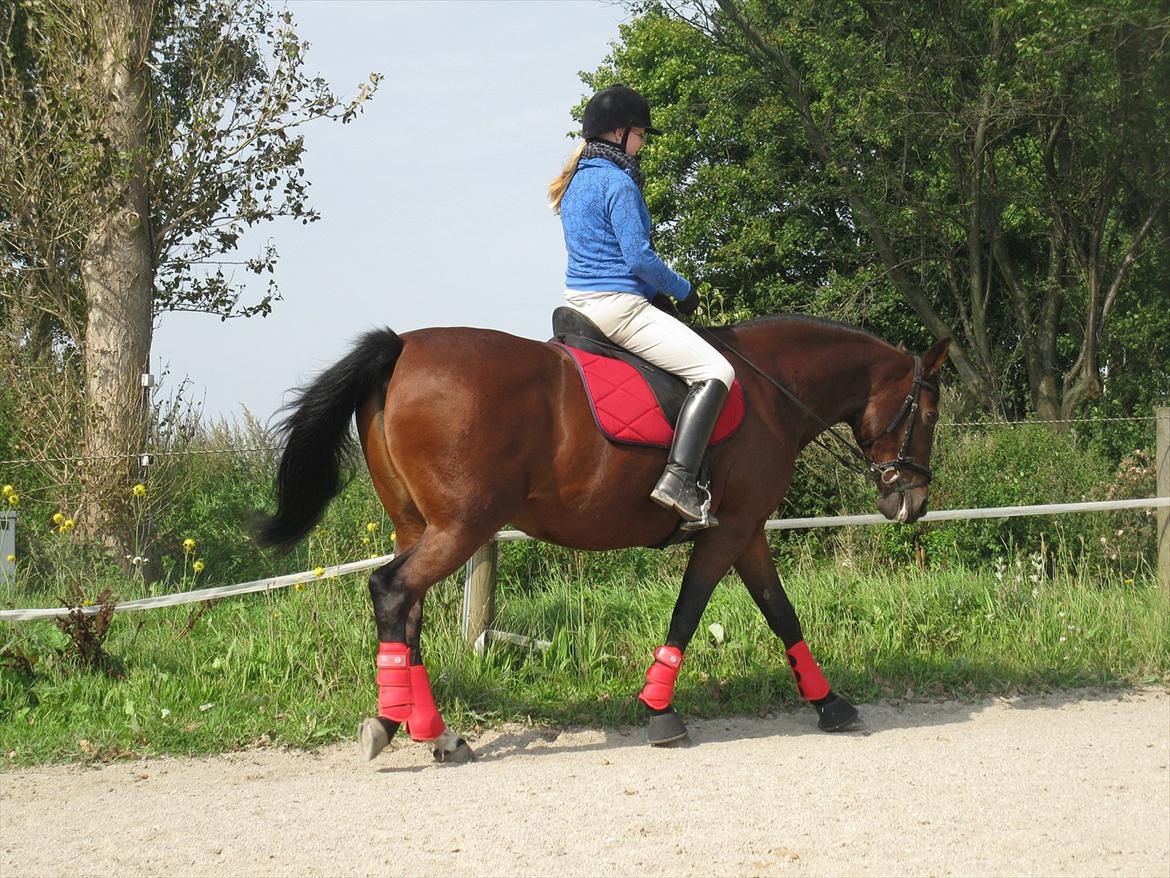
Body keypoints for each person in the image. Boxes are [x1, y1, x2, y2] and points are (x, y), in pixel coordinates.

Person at [548, 84, 735, 529]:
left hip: (579, 302)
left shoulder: (576, 181)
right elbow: (638, 258)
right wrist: (683, 290)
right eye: (641, 135)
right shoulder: (618, 182)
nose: (643, 144)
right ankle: (679, 480)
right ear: (619, 133)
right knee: (717, 371)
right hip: (618, 307)